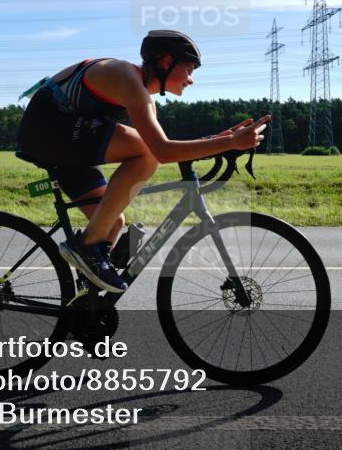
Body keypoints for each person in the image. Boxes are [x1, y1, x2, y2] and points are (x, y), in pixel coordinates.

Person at [17, 30, 269, 293]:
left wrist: (217, 139)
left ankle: (85, 300)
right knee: (145, 153)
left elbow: (168, 145)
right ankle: (87, 249)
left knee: (112, 222)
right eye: (189, 69)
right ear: (165, 61)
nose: (191, 80)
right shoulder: (126, 78)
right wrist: (230, 143)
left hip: (66, 138)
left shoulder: (143, 99)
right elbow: (161, 151)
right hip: (46, 127)